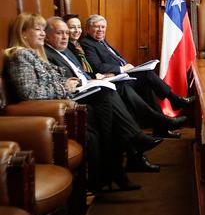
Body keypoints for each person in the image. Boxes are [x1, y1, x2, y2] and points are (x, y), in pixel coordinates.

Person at [4, 13, 141, 192]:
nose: (43, 33)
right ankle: (121, 159)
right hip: (52, 111)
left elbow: (48, 82)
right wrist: (64, 87)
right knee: (105, 104)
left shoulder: (36, 54)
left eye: (43, 29)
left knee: (106, 105)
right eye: (38, 29)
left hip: (64, 104)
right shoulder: (20, 55)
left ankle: (109, 173)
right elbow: (29, 93)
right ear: (23, 34)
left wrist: (66, 82)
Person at [45, 16, 162, 174]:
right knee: (113, 94)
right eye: (60, 33)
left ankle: (134, 154)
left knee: (126, 88)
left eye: (67, 32)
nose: (65, 36)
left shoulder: (66, 50)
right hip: (75, 97)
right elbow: (67, 82)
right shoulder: (48, 54)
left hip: (90, 85)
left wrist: (96, 78)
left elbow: (82, 73)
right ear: (47, 36)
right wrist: (90, 79)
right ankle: (142, 136)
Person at [80, 14, 192, 137]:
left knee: (147, 84)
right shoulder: (87, 43)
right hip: (114, 81)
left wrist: (128, 67)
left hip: (124, 75)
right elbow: (98, 66)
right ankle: (174, 101)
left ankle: (162, 128)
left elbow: (115, 59)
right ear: (88, 29)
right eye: (96, 27)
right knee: (147, 74)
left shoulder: (102, 42)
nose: (100, 30)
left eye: (103, 27)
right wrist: (122, 68)